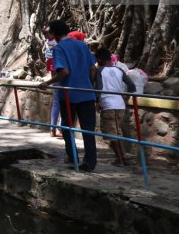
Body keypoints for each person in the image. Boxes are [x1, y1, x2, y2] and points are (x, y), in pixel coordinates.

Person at [39, 19, 98, 172]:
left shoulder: (59, 48)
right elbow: (93, 69)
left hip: (69, 94)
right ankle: (90, 162)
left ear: (55, 34)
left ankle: (72, 157)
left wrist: (48, 82)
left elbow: (64, 71)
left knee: (67, 127)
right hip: (87, 94)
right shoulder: (82, 45)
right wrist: (88, 84)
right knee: (88, 130)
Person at [94, 48, 135, 167]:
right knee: (117, 132)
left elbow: (99, 88)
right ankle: (123, 156)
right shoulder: (119, 70)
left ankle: (119, 159)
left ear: (99, 59)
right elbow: (131, 85)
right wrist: (126, 97)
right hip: (120, 105)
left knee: (112, 134)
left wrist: (98, 101)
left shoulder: (100, 70)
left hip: (108, 104)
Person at [43, 27, 60, 137]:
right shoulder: (55, 45)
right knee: (59, 103)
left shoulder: (50, 44)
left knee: (56, 103)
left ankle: (54, 128)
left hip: (55, 78)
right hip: (59, 79)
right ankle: (57, 128)